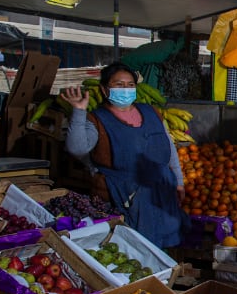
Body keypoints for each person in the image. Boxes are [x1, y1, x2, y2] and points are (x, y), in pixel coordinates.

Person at [62, 62, 186, 248]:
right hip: (122, 197)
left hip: (160, 191)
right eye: (119, 85)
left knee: (165, 242)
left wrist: (178, 182)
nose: (125, 90)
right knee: (132, 247)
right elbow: (77, 148)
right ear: (104, 90)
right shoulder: (97, 119)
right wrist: (79, 111)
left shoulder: (151, 113)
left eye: (130, 85)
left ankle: (165, 276)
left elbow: (169, 150)